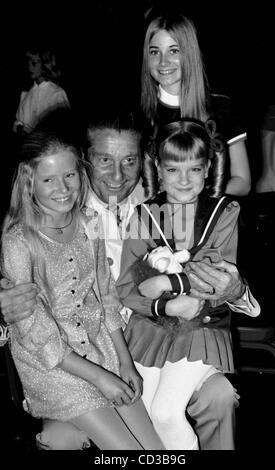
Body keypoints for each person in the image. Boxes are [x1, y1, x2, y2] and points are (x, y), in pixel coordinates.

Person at [0, 110, 254, 450]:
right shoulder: (46, 214)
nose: (118, 175)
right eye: (105, 159)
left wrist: (235, 290)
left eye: (129, 160)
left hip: (160, 343)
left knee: (217, 397)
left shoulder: (161, 201)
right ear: (86, 159)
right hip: (80, 356)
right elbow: (22, 300)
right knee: (76, 438)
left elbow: (218, 267)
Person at [0, 126, 165, 451]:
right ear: (30, 182)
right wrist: (100, 377)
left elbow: (105, 296)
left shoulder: (89, 222)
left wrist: (124, 362)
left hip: (101, 349)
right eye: (49, 180)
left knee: (156, 452)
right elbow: (36, 332)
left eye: (70, 176)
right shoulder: (19, 242)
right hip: (55, 370)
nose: (63, 189)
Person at [116, 119, 260, 449]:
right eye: (173, 170)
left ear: (208, 168)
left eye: (194, 169)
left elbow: (216, 278)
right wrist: (162, 304)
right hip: (150, 330)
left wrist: (167, 281)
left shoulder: (222, 212)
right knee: (147, 415)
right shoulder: (143, 215)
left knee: (166, 413)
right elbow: (126, 288)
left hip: (201, 330)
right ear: (159, 169)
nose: (184, 180)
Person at [140, 11, 251, 197]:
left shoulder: (221, 107)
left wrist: (192, 197)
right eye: (154, 52)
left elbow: (243, 182)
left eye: (174, 51)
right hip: (158, 220)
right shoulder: (137, 114)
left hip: (212, 220)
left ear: (189, 53)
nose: (163, 62)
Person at [13, 47, 70, 136]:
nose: (29, 66)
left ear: (45, 65)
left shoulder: (57, 94)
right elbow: (18, 122)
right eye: (28, 62)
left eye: (34, 63)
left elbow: (63, 128)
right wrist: (20, 129)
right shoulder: (26, 93)